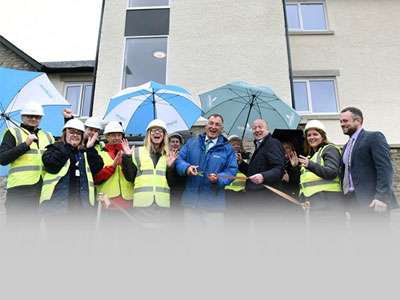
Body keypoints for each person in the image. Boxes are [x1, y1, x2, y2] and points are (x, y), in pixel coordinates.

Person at [39, 119, 104, 240]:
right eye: (72, 132)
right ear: (65, 133)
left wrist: (90, 149)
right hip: (57, 207)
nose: (75, 135)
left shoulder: (84, 152)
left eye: (78, 133)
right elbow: (51, 165)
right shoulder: (54, 148)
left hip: (80, 207)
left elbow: (98, 166)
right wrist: (67, 146)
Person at [175, 114, 237, 234]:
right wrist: (187, 168)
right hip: (191, 203)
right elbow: (179, 160)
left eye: (217, 124)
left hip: (213, 205)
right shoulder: (191, 143)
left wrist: (218, 179)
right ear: (206, 125)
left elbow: (231, 171)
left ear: (221, 128)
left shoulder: (227, 149)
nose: (213, 127)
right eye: (211, 123)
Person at [0, 101, 54, 233]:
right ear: (22, 117)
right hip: (19, 190)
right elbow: (3, 159)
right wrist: (25, 144)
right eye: (30, 115)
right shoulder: (12, 133)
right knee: (14, 230)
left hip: (40, 190)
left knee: (32, 230)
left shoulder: (48, 136)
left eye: (37, 117)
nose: (34, 119)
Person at [340, 107, 399, 228]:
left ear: (358, 120)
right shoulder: (346, 146)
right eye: (340, 122)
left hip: (373, 202)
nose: (342, 124)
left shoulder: (373, 137)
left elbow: (385, 168)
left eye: (345, 121)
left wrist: (381, 197)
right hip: (354, 203)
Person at [238, 119, 292, 232]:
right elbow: (253, 173)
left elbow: (279, 169)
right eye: (254, 128)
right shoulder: (259, 146)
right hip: (257, 203)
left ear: (268, 129)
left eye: (260, 127)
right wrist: (241, 163)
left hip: (269, 204)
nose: (257, 130)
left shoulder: (273, 144)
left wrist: (263, 176)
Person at [121, 119, 178, 226]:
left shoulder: (169, 155)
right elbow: (130, 177)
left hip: (162, 205)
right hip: (142, 204)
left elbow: (171, 182)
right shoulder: (137, 152)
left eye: (161, 131)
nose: (157, 132)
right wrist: (127, 157)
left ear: (164, 135)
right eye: (154, 130)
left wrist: (170, 167)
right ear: (149, 134)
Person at [289, 120, 345, 227]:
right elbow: (304, 182)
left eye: (315, 134)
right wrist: (296, 167)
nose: (311, 137)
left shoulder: (329, 149)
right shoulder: (311, 156)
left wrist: (310, 164)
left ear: (322, 136)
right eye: (309, 135)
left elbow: (332, 172)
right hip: (315, 207)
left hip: (329, 207)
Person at [93, 121, 134, 239]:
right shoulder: (100, 154)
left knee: (126, 240)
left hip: (127, 203)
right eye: (113, 135)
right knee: (107, 240)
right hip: (107, 204)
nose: (116, 138)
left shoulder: (129, 153)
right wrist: (112, 167)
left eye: (119, 135)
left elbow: (132, 176)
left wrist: (127, 159)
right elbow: (95, 178)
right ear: (106, 137)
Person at [224, 135, 250, 229]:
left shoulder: (247, 156)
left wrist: (241, 162)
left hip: (242, 193)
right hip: (228, 192)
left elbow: (250, 172)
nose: (236, 146)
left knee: (242, 220)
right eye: (233, 144)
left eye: (238, 144)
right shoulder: (224, 157)